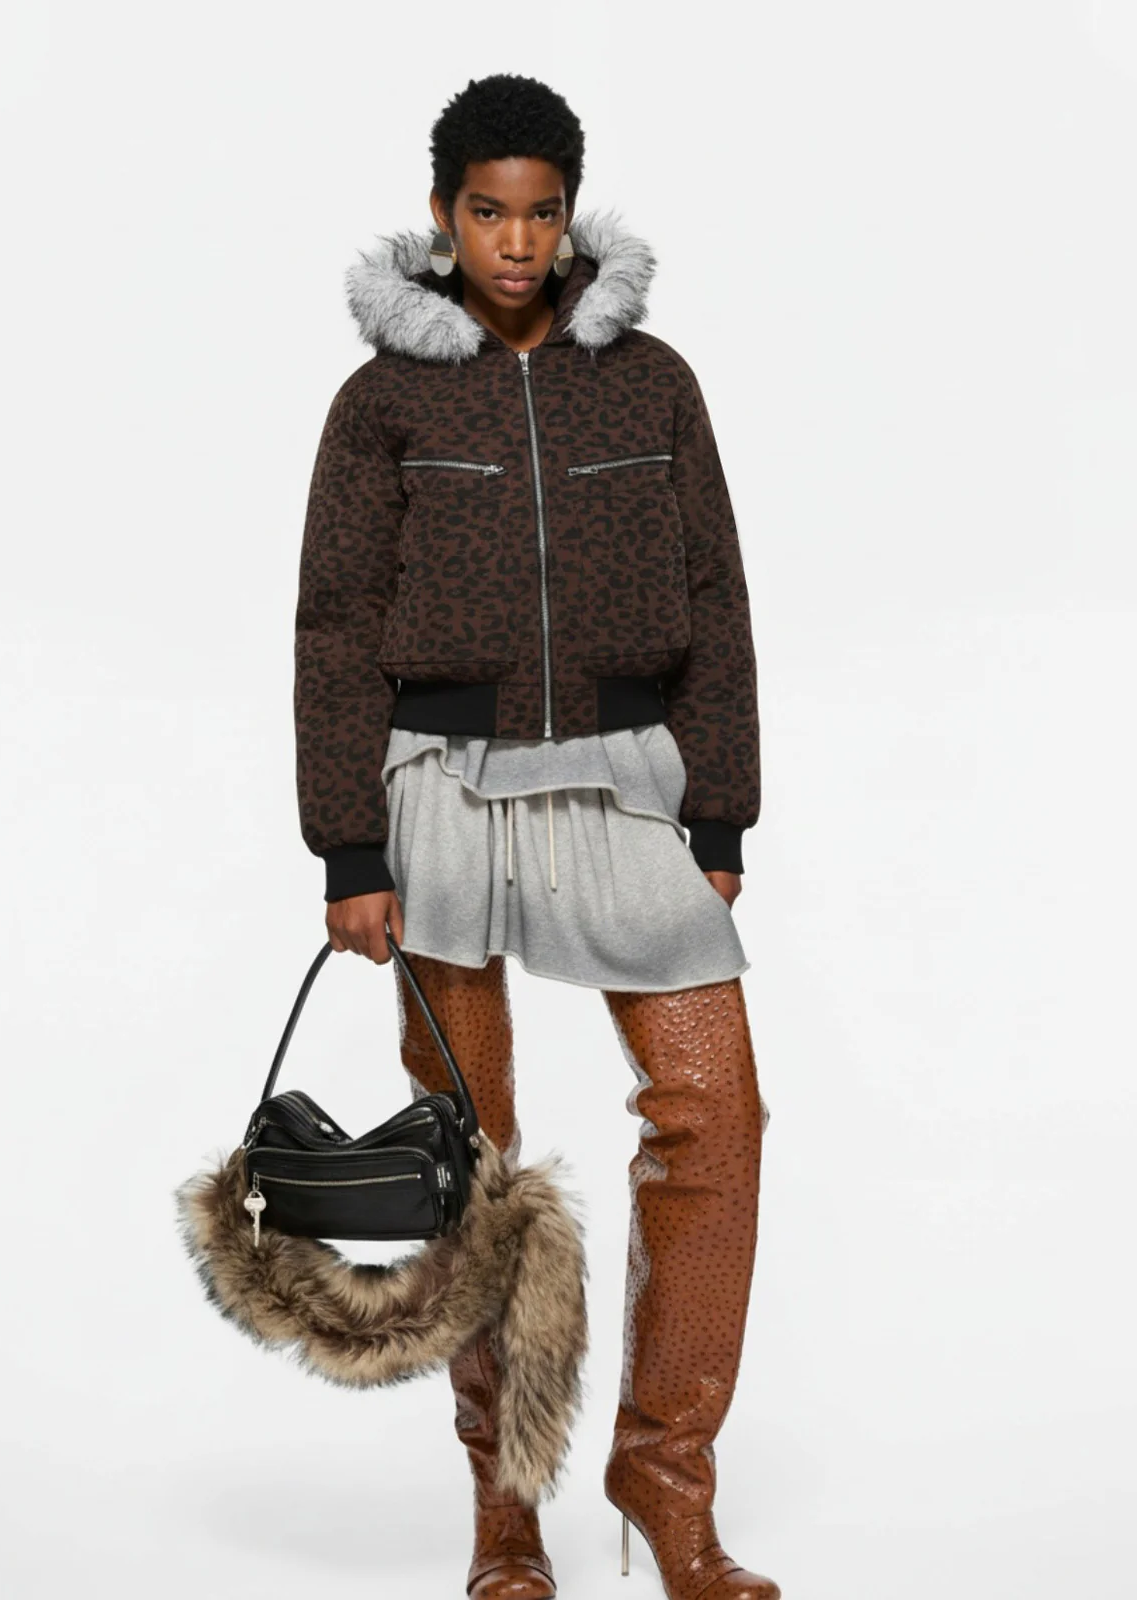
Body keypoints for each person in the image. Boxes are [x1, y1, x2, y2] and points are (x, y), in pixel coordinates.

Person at [294, 72, 779, 1600]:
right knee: (470, 1153)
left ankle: (665, 1472)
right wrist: (349, 850)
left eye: (541, 211)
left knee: (718, 1115)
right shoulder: (385, 402)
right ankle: (505, 1504)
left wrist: (719, 805)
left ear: (572, 213)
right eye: (487, 211)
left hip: (623, 781)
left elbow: (716, 597)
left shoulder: (651, 382)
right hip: (440, 791)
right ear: (444, 215)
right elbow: (334, 627)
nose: (515, 240)